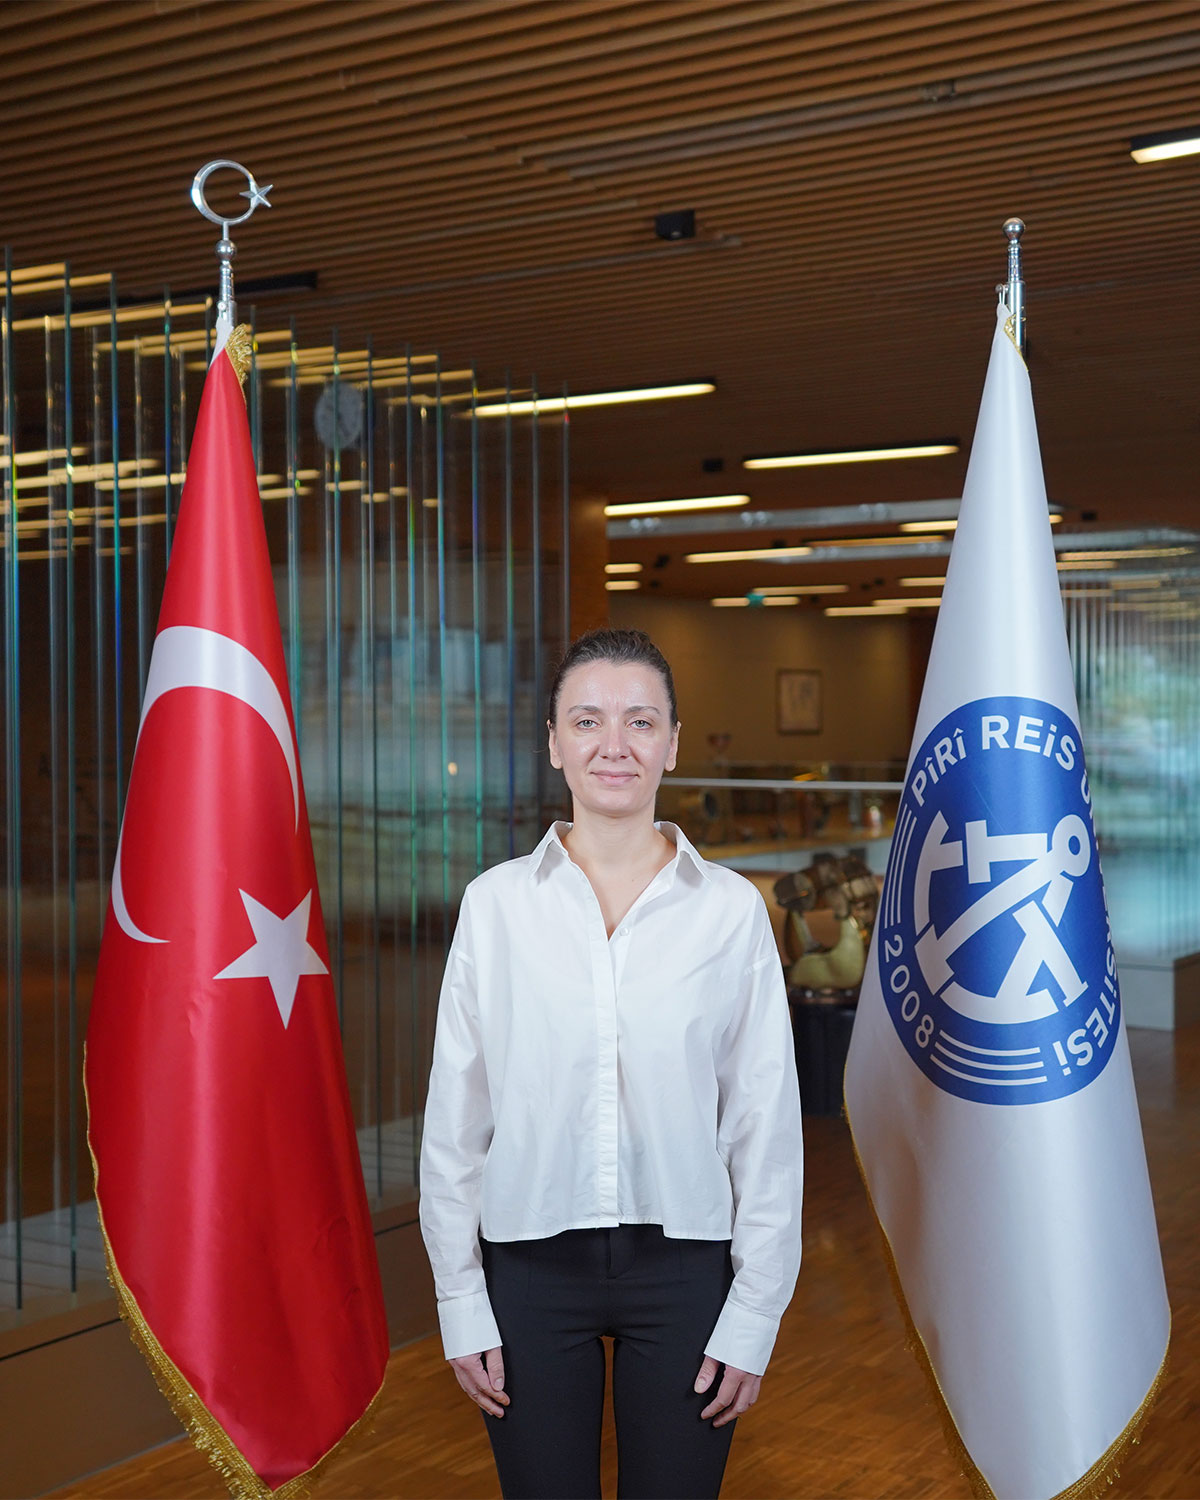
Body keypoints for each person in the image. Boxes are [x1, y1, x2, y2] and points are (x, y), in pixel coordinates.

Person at [418, 627, 804, 1500]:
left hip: (686, 1271)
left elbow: (764, 1127)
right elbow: (456, 1125)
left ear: (672, 742)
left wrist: (755, 1312)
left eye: (640, 720)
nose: (614, 744)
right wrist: (459, 1298)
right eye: (587, 720)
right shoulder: (495, 906)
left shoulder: (731, 912)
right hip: (527, 1272)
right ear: (555, 743)